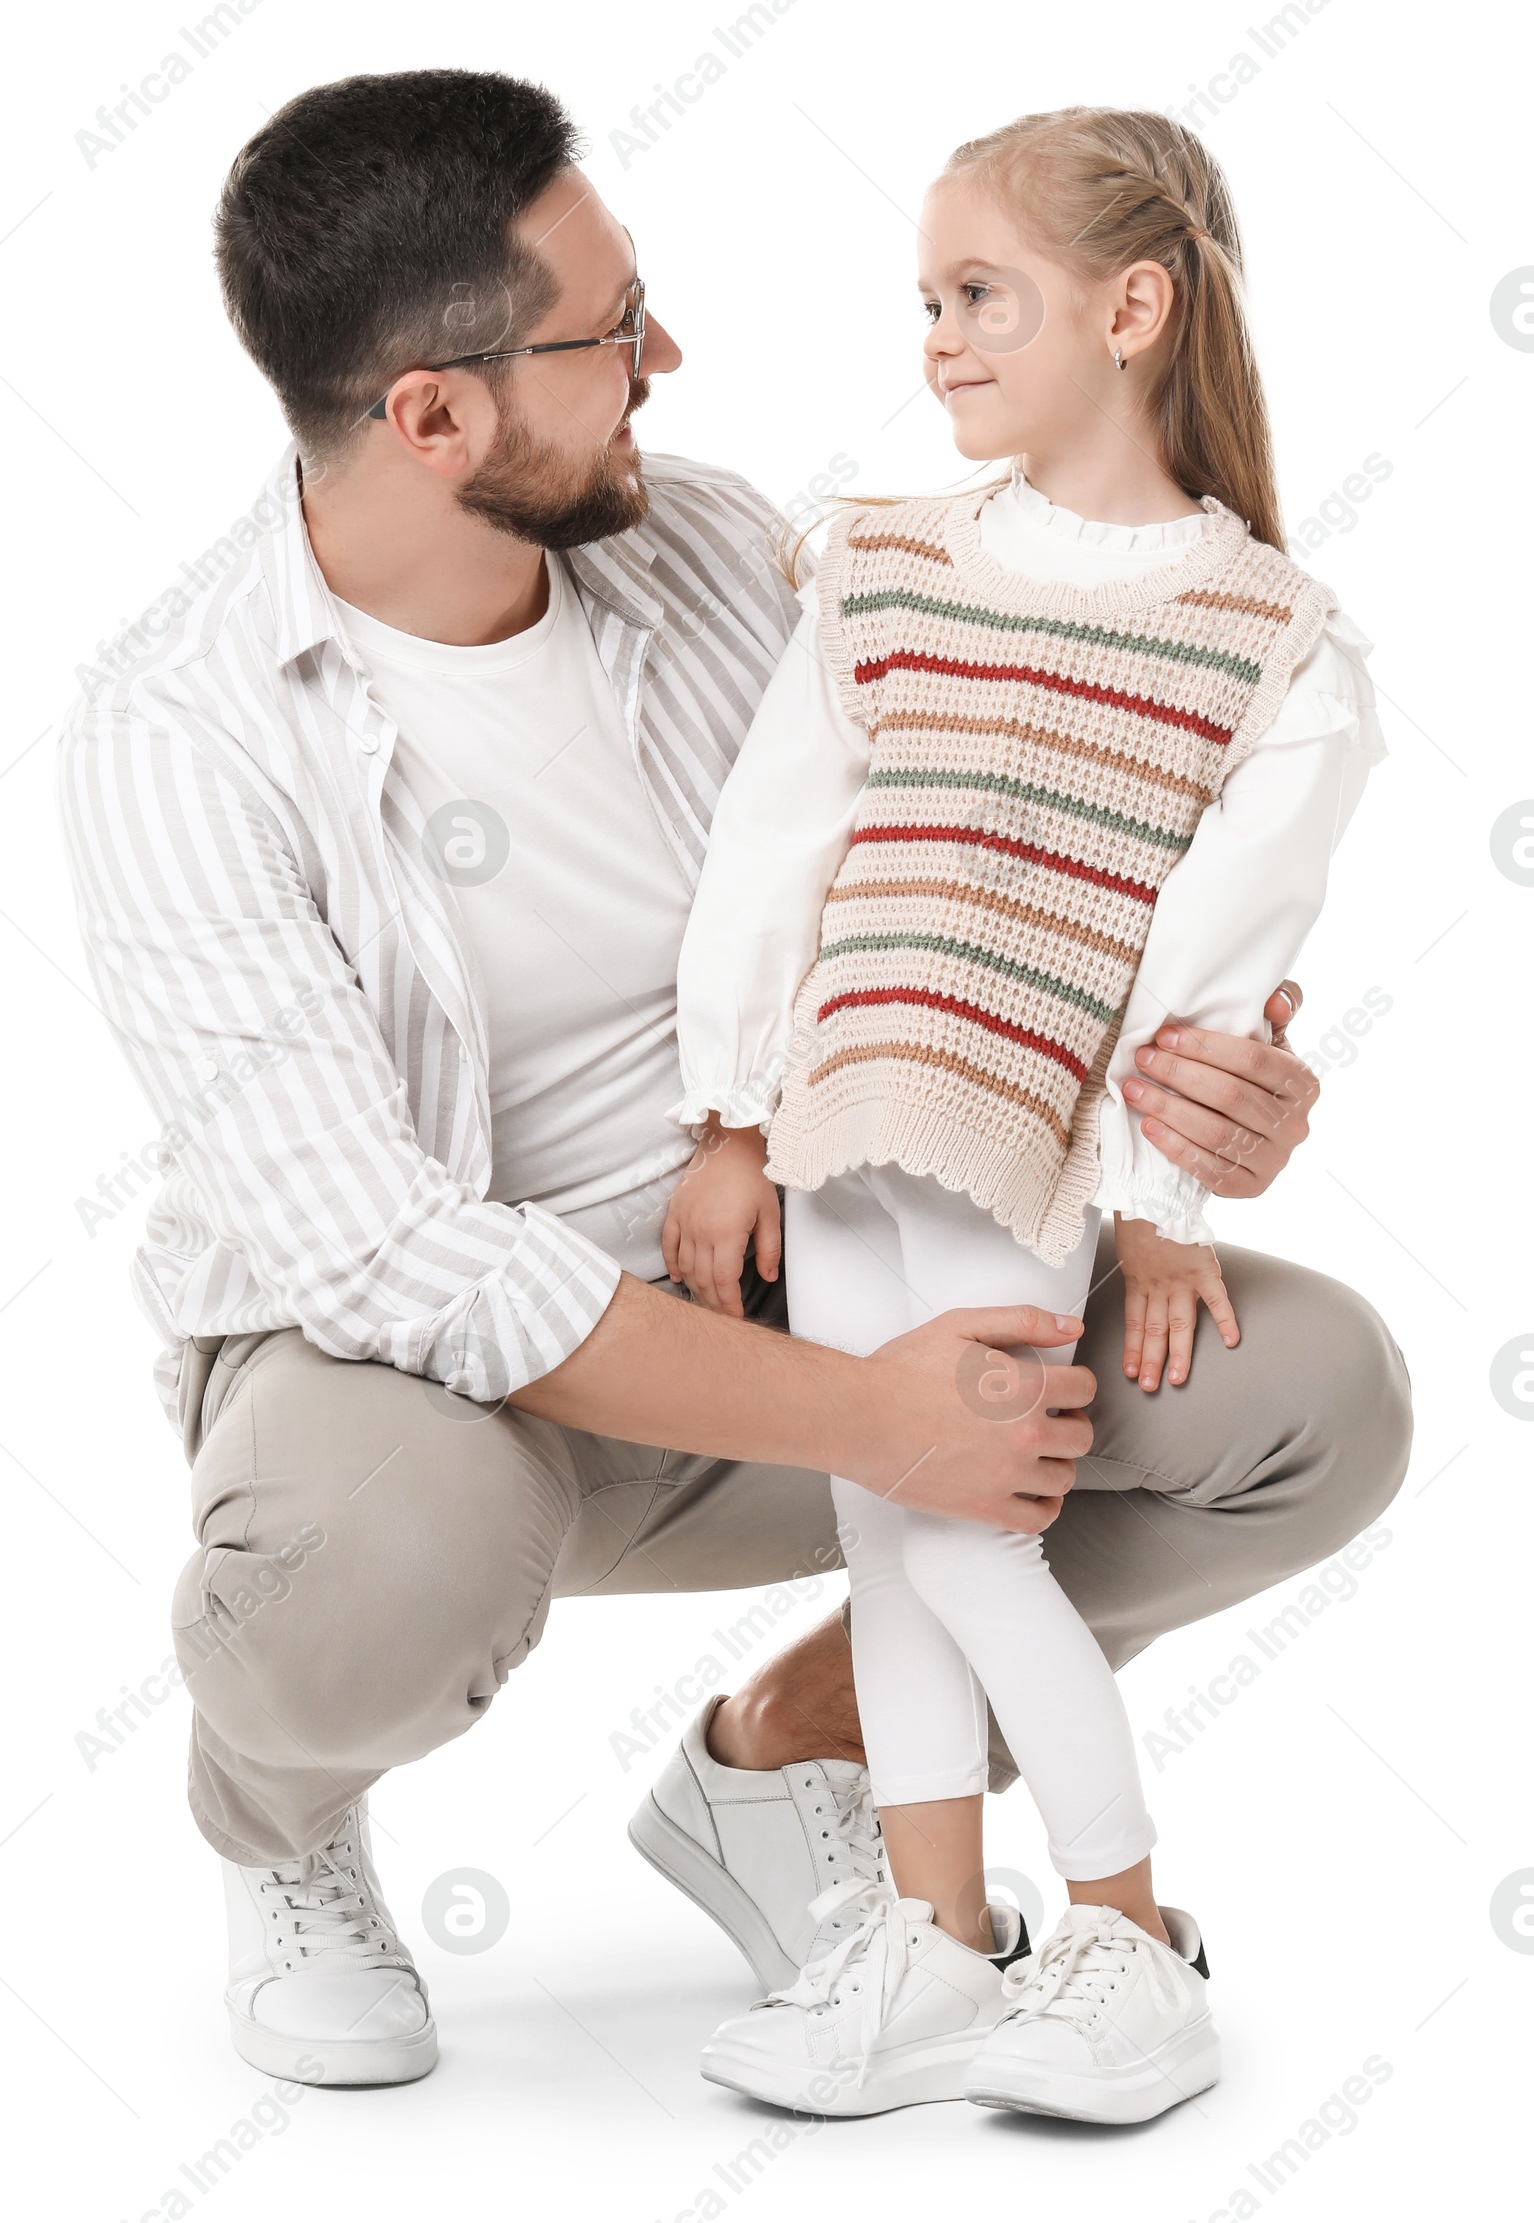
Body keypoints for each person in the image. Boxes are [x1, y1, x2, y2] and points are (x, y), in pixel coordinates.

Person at [55, 70, 1411, 2091]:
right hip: (435, 1394)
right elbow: (397, 1257)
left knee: (1307, 1399)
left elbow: (984, 872)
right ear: (433, 414)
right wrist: (872, 1415)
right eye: (608, 333)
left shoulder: (701, 551)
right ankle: (283, 1813)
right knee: (367, 1581)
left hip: (817, 1256)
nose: (664, 360)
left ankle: (792, 1768)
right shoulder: (176, 731)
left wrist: (1197, 1083)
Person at [664, 105, 1385, 2124]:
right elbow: (772, 845)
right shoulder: (881, 562)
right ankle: (932, 1938)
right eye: (925, 301)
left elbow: (1211, 975)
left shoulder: (1263, 643)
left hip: (1010, 1136)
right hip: (833, 1116)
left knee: (975, 1536)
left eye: (978, 295)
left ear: (1130, 307)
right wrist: (726, 1111)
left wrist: (1154, 1202)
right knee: (885, 1529)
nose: (937, 341)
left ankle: (1127, 1937)